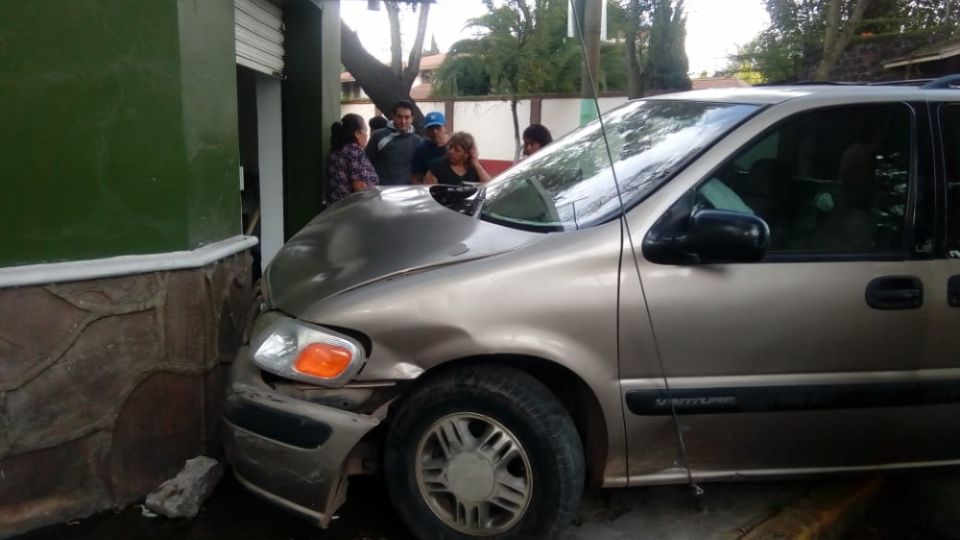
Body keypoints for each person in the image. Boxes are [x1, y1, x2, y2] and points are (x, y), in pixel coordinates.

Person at [365, 100, 423, 185]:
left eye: (407, 117)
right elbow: (366, 164)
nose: (403, 121)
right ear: (393, 116)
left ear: (412, 118)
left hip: (409, 191)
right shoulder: (378, 136)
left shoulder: (419, 142)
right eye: (399, 117)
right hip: (382, 190)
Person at [327, 113, 379, 203]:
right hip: (352, 206)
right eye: (366, 131)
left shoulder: (337, 149)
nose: (367, 135)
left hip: (337, 206)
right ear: (357, 133)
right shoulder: (354, 151)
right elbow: (359, 187)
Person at [424, 132, 492, 186]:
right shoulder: (437, 166)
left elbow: (490, 186)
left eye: (457, 150)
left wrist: (477, 165)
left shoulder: (476, 168)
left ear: (467, 153)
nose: (451, 151)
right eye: (450, 147)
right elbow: (427, 191)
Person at [410, 111, 449, 184]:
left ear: (445, 128)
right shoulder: (421, 150)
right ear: (426, 131)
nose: (434, 132)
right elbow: (416, 177)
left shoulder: (456, 145)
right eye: (430, 128)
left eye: (438, 128)